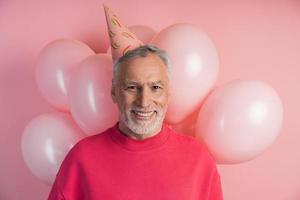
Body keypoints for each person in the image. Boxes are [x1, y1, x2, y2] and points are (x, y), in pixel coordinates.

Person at [48, 44, 223, 200]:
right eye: (132, 87)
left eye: (155, 88)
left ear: (168, 93)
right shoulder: (81, 158)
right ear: (114, 92)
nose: (144, 101)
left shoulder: (198, 159)